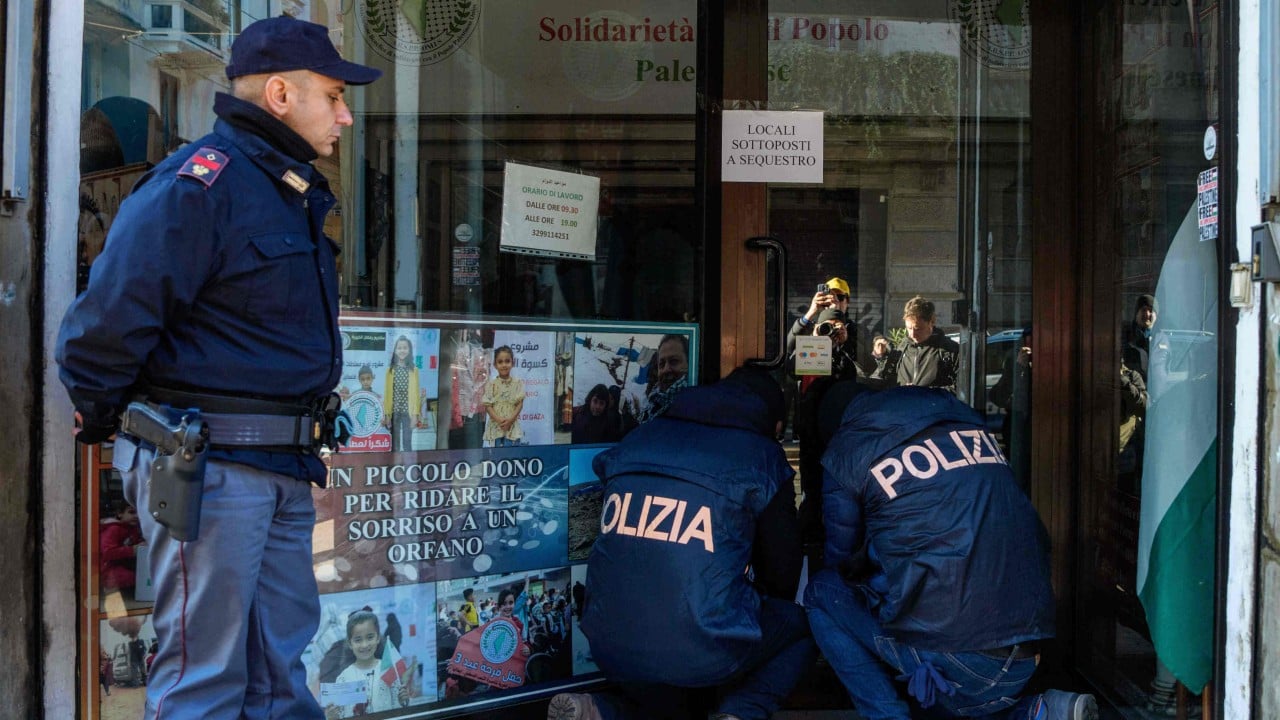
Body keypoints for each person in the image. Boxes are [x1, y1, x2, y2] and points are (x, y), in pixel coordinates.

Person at [54, 15, 381, 719]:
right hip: (211, 469)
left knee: (280, 680)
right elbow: (103, 326)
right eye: (333, 96)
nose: (346, 116)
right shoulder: (199, 186)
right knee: (202, 684)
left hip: (283, 469)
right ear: (280, 95)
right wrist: (120, 424)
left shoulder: (286, 189)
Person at [804, 385, 1098, 720]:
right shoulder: (968, 428)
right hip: (1028, 654)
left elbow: (841, 560)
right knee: (942, 678)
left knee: (823, 592)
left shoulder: (849, 448)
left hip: (962, 659)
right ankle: (1038, 711)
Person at [550, 367, 815, 720]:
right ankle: (741, 712)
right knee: (802, 626)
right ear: (776, 425)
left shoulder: (640, 437)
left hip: (606, 642)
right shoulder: (762, 457)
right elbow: (782, 574)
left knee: (677, 669)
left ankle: (602, 710)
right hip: (700, 649)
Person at [323, 609, 410, 719]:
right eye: (358, 640)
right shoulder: (344, 678)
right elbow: (340, 715)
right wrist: (332, 716)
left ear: (378, 638)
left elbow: (398, 709)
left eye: (370, 637)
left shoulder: (388, 670)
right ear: (350, 643)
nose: (364, 645)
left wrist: (403, 702)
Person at [895, 295, 959, 391]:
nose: (912, 334)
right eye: (909, 328)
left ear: (931, 322)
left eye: (918, 329)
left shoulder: (950, 350)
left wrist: (925, 393)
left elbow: (961, 389)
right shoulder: (901, 348)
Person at [633, 334, 690, 425]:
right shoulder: (652, 404)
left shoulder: (696, 407)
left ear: (690, 363)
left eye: (674, 361)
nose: (666, 369)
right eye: (661, 364)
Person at [483, 345, 527, 447]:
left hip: (512, 425)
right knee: (497, 453)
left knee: (513, 452)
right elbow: (488, 406)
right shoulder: (491, 384)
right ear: (495, 365)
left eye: (507, 361)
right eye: (500, 362)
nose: (504, 365)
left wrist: (510, 421)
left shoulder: (517, 383)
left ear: (513, 363)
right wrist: (499, 420)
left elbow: (520, 404)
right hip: (496, 426)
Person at [383, 335, 420, 451]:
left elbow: (416, 394)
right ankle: (396, 462)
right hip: (394, 412)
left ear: (409, 350)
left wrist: (415, 415)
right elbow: (387, 394)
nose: (402, 350)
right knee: (395, 444)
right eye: (399, 348)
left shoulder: (414, 370)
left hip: (408, 413)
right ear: (395, 350)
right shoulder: (390, 370)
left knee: (407, 443)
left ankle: (407, 462)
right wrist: (387, 415)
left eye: (405, 348)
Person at [99, 502, 145, 595]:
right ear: (120, 514)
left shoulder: (133, 529)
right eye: (132, 512)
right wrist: (133, 550)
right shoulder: (113, 529)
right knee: (131, 578)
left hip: (124, 565)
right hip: (108, 569)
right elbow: (107, 553)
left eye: (139, 512)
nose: (136, 516)